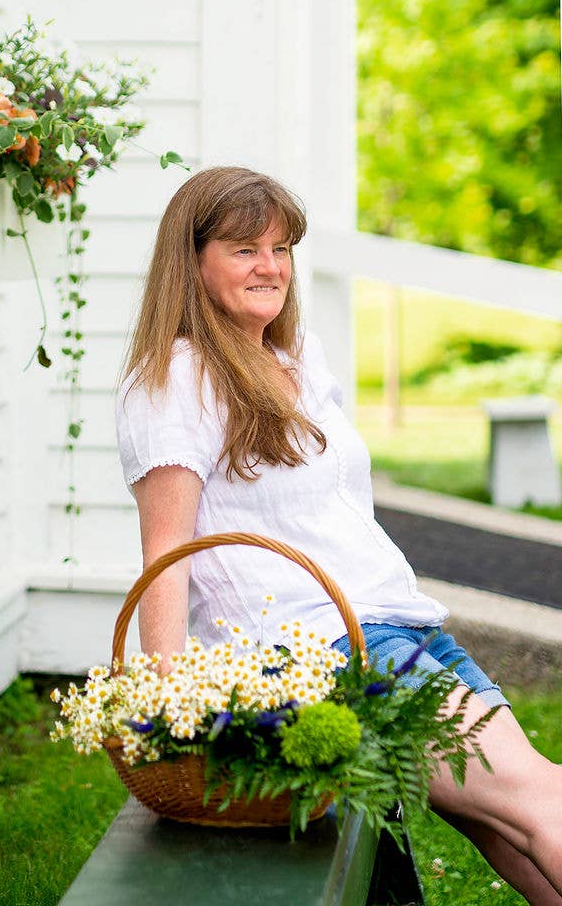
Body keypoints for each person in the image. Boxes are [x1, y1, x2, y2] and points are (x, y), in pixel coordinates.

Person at [114, 166, 562, 904]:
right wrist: (173, 698)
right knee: (539, 801)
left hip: (394, 626)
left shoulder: (294, 359)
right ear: (190, 262)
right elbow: (166, 550)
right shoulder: (176, 381)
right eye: (244, 249)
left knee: (512, 822)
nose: (271, 267)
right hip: (314, 650)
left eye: (281, 248)